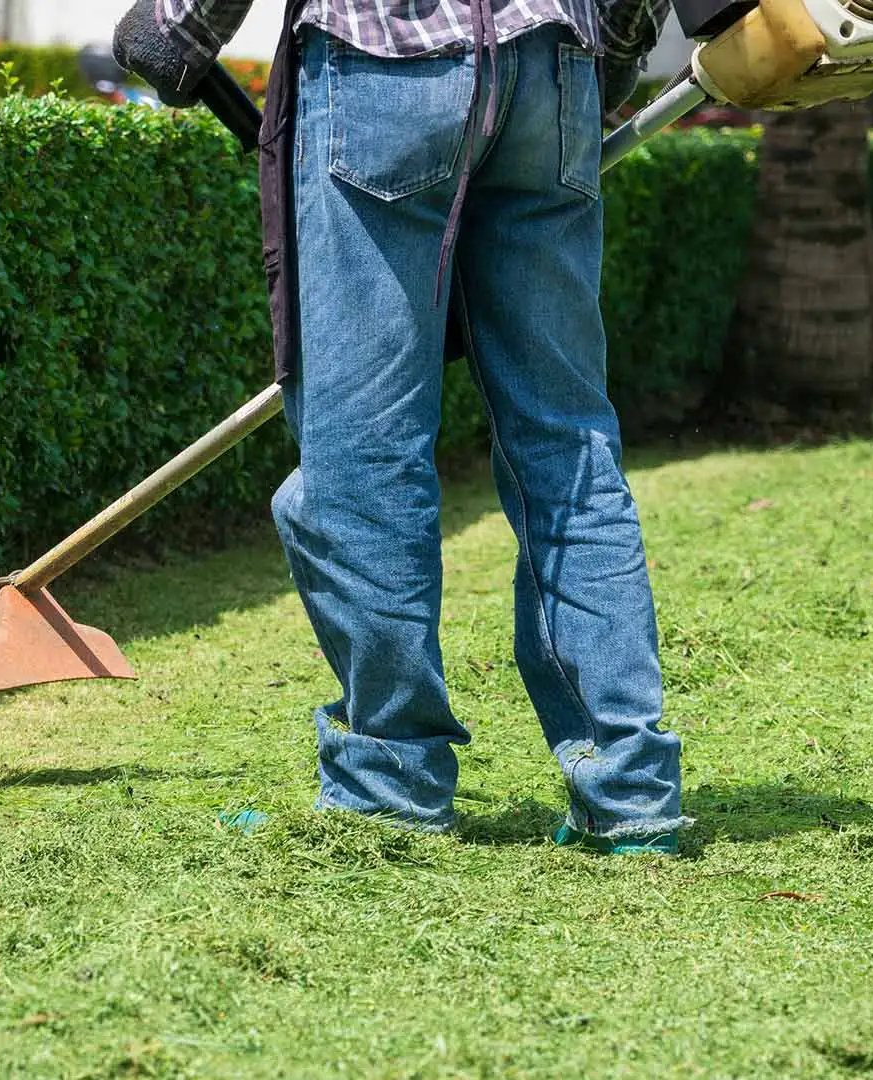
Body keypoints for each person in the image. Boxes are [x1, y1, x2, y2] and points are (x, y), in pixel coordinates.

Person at [112, 0, 692, 853]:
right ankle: (631, 792)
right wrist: (608, 52)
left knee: (367, 449)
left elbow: (170, 37)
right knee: (566, 441)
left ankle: (390, 780)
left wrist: (179, 26)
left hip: (385, 59)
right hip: (548, 67)